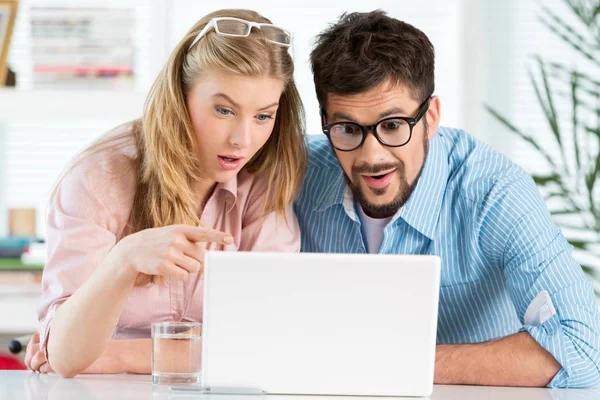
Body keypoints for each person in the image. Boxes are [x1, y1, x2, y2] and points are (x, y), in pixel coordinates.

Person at [294, 10, 600, 388]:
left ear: (431, 117)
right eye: (348, 129)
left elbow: (581, 348)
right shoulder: (294, 174)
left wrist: (398, 362)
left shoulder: (495, 192)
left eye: (392, 125)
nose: (371, 156)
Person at [24, 9, 306, 378]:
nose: (243, 139)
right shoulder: (101, 176)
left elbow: (264, 345)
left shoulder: (267, 184)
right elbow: (64, 355)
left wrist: (119, 357)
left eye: (263, 116)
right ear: (180, 96)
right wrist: (124, 260)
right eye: (223, 110)